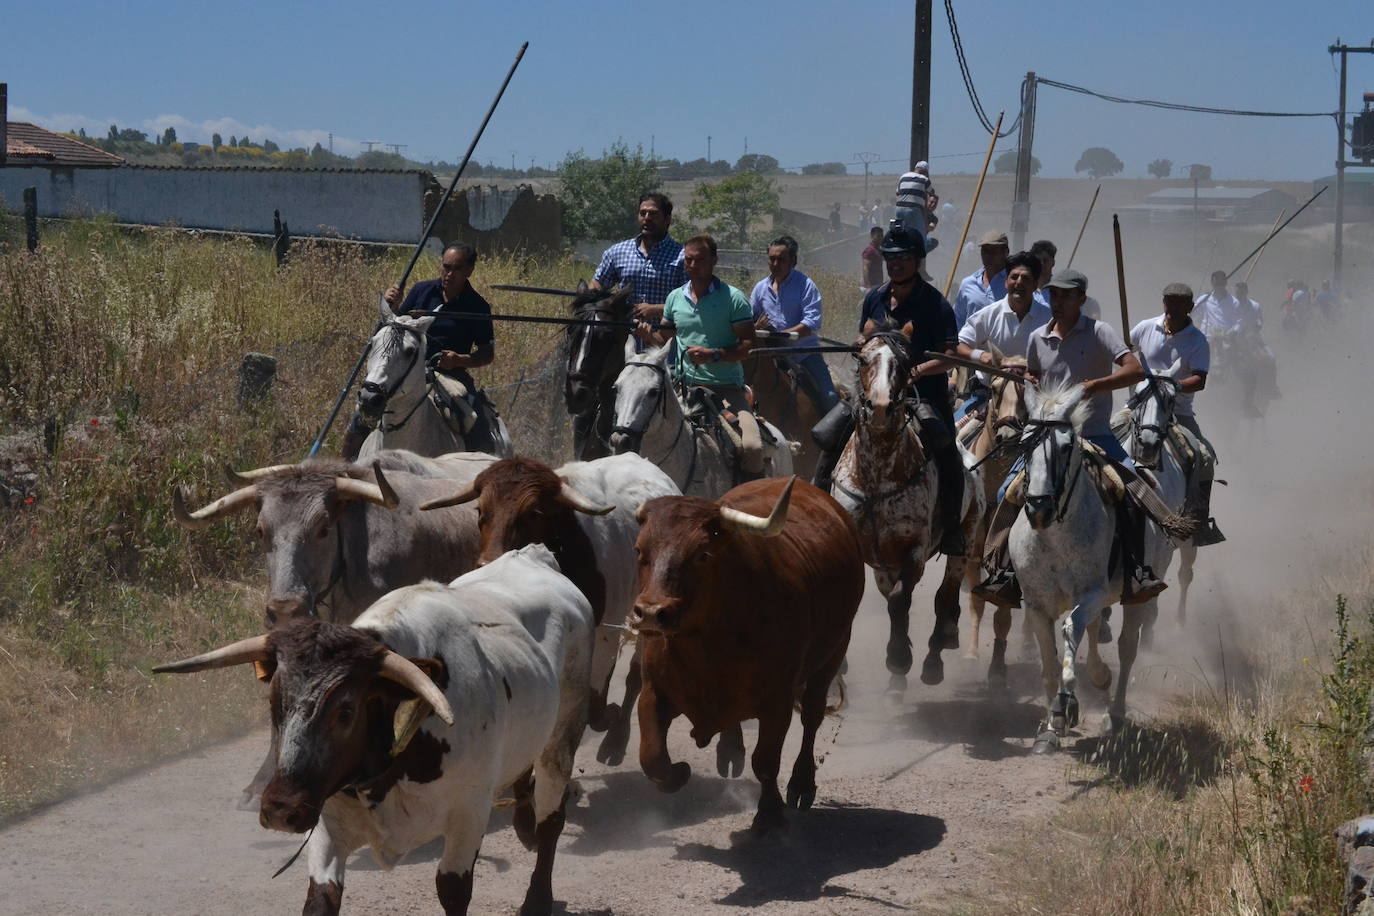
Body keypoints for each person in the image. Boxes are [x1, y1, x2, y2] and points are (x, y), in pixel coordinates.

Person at [974, 268, 1164, 605]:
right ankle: (1001, 572)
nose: (1057, 301)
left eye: (1065, 295)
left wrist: (1093, 386)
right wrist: (1026, 379)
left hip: (1095, 434)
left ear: (1081, 299)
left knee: (1132, 488)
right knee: (1007, 491)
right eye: (1053, 295)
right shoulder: (1037, 338)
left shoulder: (1099, 332)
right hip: (1048, 436)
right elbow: (1034, 375)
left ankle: (1137, 571)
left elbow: (1134, 369)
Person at [840, 223, 966, 556]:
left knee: (947, 451)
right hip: (875, 394)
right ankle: (822, 512)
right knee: (828, 434)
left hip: (922, 395)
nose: (895, 263)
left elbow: (950, 356)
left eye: (904, 257)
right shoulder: (874, 298)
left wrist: (918, 371)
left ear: (918, 261)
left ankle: (952, 527)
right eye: (890, 257)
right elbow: (864, 338)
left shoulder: (936, 304)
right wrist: (861, 346)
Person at [340, 243, 496, 459]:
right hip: (408, 367)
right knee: (364, 412)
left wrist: (459, 360)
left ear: (469, 271)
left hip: (450, 374)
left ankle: (480, 470)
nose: (449, 274)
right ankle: (346, 469)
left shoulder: (478, 306)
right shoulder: (421, 291)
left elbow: (487, 354)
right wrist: (391, 308)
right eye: (446, 266)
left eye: (456, 269)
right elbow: (396, 328)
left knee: (473, 419)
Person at [634, 234, 764, 477]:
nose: (693, 266)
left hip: (726, 390)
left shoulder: (733, 298)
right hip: (681, 388)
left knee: (752, 447)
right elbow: (664, 340)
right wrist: (648, 336)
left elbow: (749, 347)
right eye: (688, 260)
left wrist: (713, 355)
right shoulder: (675, 298)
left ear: (714, 260)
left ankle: (749, 500)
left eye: (699, 260)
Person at [1130, 283, 1224, 546]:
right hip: (1139, 406)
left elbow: (1200, 379)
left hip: (1178, 412)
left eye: (1179, 303)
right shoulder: (1146, 327)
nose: (1172, 307)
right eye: (1168, 301)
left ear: (1190, 307)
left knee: (1204, 457)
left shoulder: (1197, 340)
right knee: (1103, 441)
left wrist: (1174, 386)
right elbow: (1126, 352)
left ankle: (1198, 520)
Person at [954, 250, 1050, 421]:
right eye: (1014, 277)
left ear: (1036, 284)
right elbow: (957, 345)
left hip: (1037, 401)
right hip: (989, 398)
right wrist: (980, 355)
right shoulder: (988, 315)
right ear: (1006, 282)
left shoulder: (1049, 319)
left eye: (1026, 278)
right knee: (954, 438)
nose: (1019, 282)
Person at [750, 235, 840, 414]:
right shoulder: (760, 288)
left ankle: (840, 439)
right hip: (769, 355)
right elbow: (749, 320)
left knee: (830, 397)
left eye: (781, 259)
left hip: (803, 355)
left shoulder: (805, 285)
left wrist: (780, 337)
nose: (775, 264)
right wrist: (755, 328)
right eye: (772, 259)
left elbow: (810, 323)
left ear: (793, 261)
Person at [589, 192, 686, 325]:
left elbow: (691, 302)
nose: (647, 218)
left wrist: (655, 309)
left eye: (653, 214)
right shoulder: (617, 252)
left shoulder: (683, 257)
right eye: (642, 213)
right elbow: (597, 283)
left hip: (663, 341)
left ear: (667, 220)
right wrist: (600, 300)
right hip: (622, 340)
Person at [1029, 238, 1100, 318]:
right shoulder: (1028, 290)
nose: (1042, 264)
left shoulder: (1060, 289)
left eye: (1045, 260)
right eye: (1038, 261)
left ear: (1053, 262)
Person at [953, 230, 1009, 327]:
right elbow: (957, 320)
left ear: (1006, 252)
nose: (988, 256)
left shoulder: (1013, 284)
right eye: (985, 251)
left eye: (993, 251)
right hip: (970, 341)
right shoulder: (968, 283)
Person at [894, 160, 936, 233]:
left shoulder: (903, 176)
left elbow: (897, 193)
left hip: (899, 210)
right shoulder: (925, 179)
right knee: (919, 233)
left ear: (915, 168)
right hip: (913, 211)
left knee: (900, 232)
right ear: (926, 172)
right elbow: (932, 192)